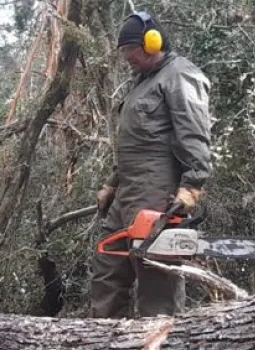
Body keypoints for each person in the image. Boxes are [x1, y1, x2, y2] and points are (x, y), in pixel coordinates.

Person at [90, 11, 213, 318]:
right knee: (107, 267)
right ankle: (100, 346)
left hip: (157, 190)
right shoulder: (141, 83)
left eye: (131, 53)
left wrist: (192, 186)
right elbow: (133, 143)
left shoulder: (179, 75)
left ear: (152, 43)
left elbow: (195, 134)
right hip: (127, 191)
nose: (128, 60)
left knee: (156, 274)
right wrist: (112, 184)